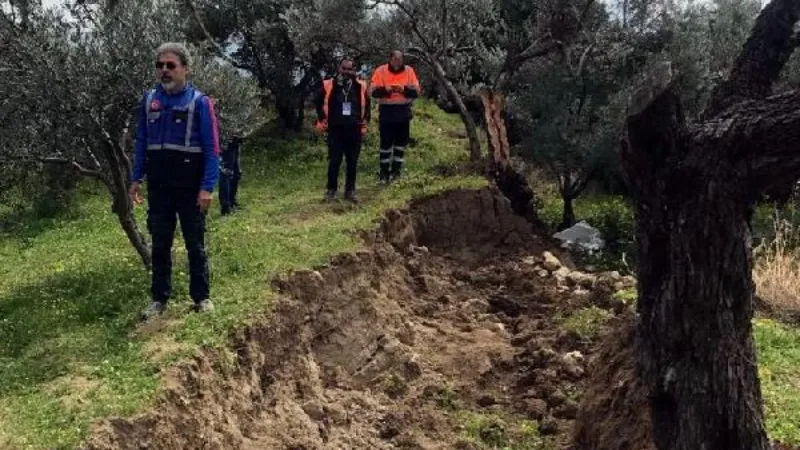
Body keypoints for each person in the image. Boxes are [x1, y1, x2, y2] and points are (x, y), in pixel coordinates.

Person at [129, 42, 221, 320]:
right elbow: (141, 141)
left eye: (171, 65)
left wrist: (207, 188)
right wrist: (136, 177)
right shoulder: (149, 101)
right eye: (160, 66)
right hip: (160, 184)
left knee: (195, 242)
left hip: (190, 184)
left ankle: (201, 298)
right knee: (160, 242)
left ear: (185, 69)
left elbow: (212, 148)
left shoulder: (199, 103)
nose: (165, 71)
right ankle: (158, 299)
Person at [315, 57, 370, 202]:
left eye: (349, 69)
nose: (346, 72)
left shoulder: (361, 86)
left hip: (354, 129)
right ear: (339, 69)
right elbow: (318, 102)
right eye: (344, 68)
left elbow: (367, 106)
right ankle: (331, 190)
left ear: (354, 70)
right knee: (334, 161)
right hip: (335, 129)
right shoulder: (329, 84)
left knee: (352, 162)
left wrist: (365, 122)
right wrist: (322, 118)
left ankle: (350, 191)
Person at [369, 50, 421, 184]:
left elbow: (416, 92)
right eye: (395, 59)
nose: (398, 61)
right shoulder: (381, 71)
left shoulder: (409, 71)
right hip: (387, 111)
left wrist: (403, 90)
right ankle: (384, 173)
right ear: (390, 59)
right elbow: (373, 92)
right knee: (385, 144)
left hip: (403, 111)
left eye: (400, 59)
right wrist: (386, 90)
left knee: (400, 144)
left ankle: (396, 172)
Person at [219, 130, 244, 215]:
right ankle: (225, 207)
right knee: (227, 173)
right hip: (226, 141)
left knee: (236, 173)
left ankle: (232, 201)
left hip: (235, 140)